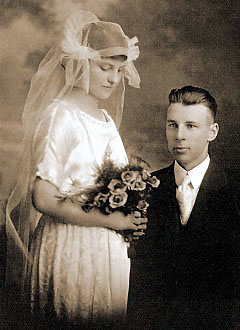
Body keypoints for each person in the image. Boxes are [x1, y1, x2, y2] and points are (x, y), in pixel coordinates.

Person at [5, 10, 147, 328]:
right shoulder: (60, 116)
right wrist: (110, 220)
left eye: (119, 70)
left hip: (107, 254)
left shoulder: (107, 122)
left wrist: (132, 216)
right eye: (105, 67)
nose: (113, 78)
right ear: (81, 62)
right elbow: (42, 198)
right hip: (70, 247)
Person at [129, 85, 240, 329]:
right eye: (173, 125)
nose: (179, 135)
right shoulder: (145, 188)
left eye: (191, 126)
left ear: (212, 132)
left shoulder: (234, 190)